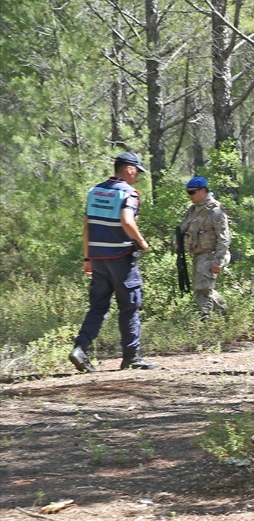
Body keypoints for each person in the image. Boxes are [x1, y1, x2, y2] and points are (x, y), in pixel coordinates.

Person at [69, 151, 158, 372]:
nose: (137, 176)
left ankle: (80, 349)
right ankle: (131, 357)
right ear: (129, 169)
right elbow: (127, 221)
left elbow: (87, 226)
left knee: (98, 307)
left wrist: (88, 257)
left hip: (98, 258)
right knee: (129, 306)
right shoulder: (129, 194)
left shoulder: (94, 191)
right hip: (121, 259)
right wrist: (142, 241)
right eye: (137, 172)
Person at [177, 176, 231, 319]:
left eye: (192, 192)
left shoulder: (215, 210)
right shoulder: (192, 210)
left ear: (203, 191)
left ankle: (205, 320)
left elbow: (224, 237)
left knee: (203, 290)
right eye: (188, 192)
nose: (190, 195)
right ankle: (225, 314)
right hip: (199, 255)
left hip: (212, 254)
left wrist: (218, 260)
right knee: (203, 289)